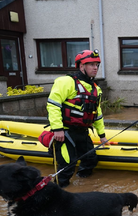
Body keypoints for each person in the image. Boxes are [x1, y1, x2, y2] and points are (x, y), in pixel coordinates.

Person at [46, 49, 108, 188]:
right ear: (81, 66)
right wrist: (57, 129)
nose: (95, 68)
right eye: (91, 64)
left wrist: (102, 135)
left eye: (97, 65)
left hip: (82, 132)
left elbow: (97, 113)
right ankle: (60, 193)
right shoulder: (66, 82)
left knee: (90, 160)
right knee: (67, 165)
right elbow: (53, 105)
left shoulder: (95, 89)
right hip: (65, 133)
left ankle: (83, 188)